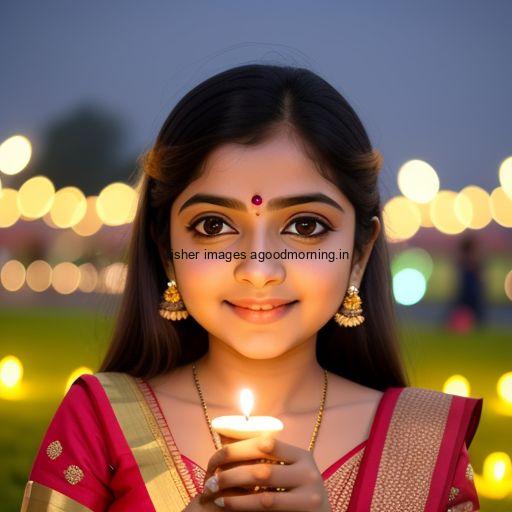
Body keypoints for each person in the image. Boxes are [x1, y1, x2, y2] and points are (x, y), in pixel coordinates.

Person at [21, 64, 483, 512]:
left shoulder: (423, 444)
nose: (259, 269)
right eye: (213, 224)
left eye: (305, 225)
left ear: (359, 254)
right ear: (167, 252)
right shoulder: (100, 422)